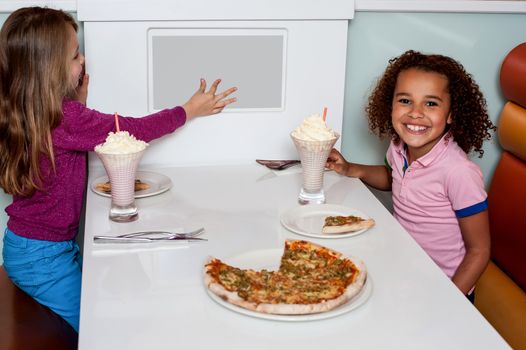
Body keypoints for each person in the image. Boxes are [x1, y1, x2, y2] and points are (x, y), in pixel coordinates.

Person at [0, 7, 237, 332]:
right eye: (75, 56)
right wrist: (189, 110)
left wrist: (79, 103)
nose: (82, 61)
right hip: (43, 259)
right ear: (48, 70)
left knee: (104, 297)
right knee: (101, 330)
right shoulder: (65, 118)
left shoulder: (32, 112)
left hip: (33, 247)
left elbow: (62, 144)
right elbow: (130, 130)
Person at [327, 50, 495, 300]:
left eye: (431, 103)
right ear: (390, 104)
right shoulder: (398, 147)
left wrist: (451, 301)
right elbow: (395, 179)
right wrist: (352, 169)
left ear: (451, 114)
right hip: (405, 271)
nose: (416, 112)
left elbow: (480, 250)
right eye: (405, 100)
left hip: (444, 288)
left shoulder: (458, 172)